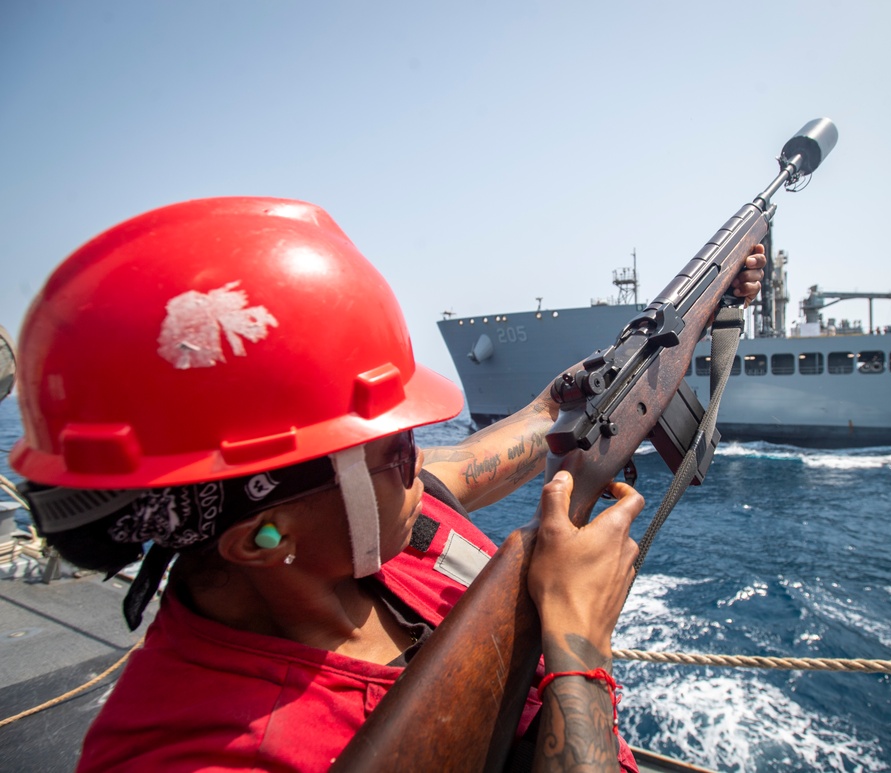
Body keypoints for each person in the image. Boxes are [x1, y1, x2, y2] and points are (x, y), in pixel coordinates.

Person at [11, 197, 765, 772]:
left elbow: (505, 441)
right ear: (259, 537)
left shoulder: (363, 527)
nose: (418, 457)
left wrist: (589, 390)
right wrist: (577, 647)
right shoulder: (190, 752)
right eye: (387, 446)